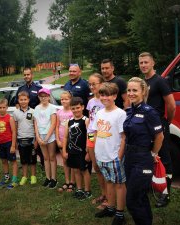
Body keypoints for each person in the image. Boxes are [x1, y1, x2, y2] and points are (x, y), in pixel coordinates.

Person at [123, 77, 164, 225]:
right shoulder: (129, 111)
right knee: (139, 196)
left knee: (132, 200)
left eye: (135, 90)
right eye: (129, 90)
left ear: (143, 91)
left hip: (142, 158)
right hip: (129, 158)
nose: (131, 93)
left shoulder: (149, 112)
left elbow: (160, 136)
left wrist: (153, 154)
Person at [138, 52, 176, 207]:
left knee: (164, 158)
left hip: (159, 125)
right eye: (141, 63)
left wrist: (167, 122)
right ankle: (150, 185)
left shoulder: (160, 81)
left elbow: (171, 105)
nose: (143, 65)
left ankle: (165, 193)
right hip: (145, 126)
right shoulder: (141, 82)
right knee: (149, 157)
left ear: (153, 63)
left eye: (146, 62)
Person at [93, 83, 127, 225]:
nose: (104, 98)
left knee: (119, 184)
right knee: (108, 181)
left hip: (114, 156)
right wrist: (95, 149)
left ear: (114, 96)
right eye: (102, 95)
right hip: (101, 155)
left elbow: (124, 137)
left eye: (107, 95)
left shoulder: (120, 113)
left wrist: (119, 156)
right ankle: (111, 207)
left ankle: (120, 213)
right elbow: (95, 132)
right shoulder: (99, 112)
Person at [62, 97, 91, 200]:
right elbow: (66, 137)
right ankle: (79, 189)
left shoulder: (86, 120)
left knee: (84, 170)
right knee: (75, 170)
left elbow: (90, 136)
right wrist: (64, 150)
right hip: (72, 150)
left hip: (83, 151)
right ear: (70, 109)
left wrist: (88, 151)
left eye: (78, 107)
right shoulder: (69, 121)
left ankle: (87, 190)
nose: (76, 110)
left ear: (82, 107)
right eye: (73, 108)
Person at [15, 67, 44, 170]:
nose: (26, 76)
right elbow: (17, 104)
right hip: (25, 120)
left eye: (28, 74)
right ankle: (25, 162)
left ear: (32, 75)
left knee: (38, 143)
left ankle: (43, 163)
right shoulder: (20, 89)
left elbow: (42, 102)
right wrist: (22, 115)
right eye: (25, 75)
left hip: (36, 118)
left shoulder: (38, 88)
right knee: (25, 144)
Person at [86, 73, 108, 209]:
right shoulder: (90, 101)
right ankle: (104, 194)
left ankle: (110, 198)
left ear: (101, 84)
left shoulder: (106, 100)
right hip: (91, 136)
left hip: (103, 137)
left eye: (94, 83)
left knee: (105, 168)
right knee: (96, 167)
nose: (92, 86)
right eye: (90, 84)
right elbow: (90, 121)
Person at [34, 88, 58, 189]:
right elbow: (35, 123)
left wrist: (47, 137)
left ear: (49, 97)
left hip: (49, 136)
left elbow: (53, 123)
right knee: (45, 158)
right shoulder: (37, 108)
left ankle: (54, 179)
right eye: (41, 96)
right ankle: (47, 178)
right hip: (41, 136)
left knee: (52, 157)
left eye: (45, 96)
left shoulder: (52, 108)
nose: (43, 98)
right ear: (39, 97)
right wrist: (38, 137)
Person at [0, 98, 18, 189]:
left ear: (7, 107)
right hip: (0, 143)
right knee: (3, 160)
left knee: (13, 161)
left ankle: (14, 180)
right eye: (0, 107)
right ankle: (6, 177)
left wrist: (13, 145)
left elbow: (14, 132)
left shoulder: (10, 118)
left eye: (4, 107)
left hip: (9, 143)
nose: (2, 109)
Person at [13, 91, 37, 186]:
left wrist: (36, 140)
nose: (23, 101)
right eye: (21, 100)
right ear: (18, 101)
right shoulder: (15, 113)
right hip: (21, 139)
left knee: (32, 159)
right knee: (23, 160)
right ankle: (24, 176)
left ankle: (33, 176)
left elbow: (35, 127)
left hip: (31, 139)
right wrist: (15, 142)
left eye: (25, 99)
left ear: (28, 100)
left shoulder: (33, 111)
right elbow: (15, 128)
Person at [55, 91, 76, 192]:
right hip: (61, 141)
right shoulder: (59, 112)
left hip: (71, 141)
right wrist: (58, 139)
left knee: (71, 161)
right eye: (62, 99)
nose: (63, 101)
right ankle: (67, 181)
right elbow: (57, 126)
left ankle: (72, 181)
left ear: (70, 99)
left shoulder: (73, 112)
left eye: (66, 99)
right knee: (64, 161)